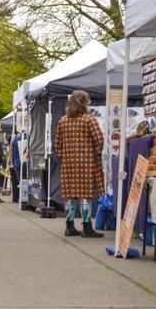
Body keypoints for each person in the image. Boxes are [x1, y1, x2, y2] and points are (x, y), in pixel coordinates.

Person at [54, 90, 104, 238]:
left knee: (69, 195)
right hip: (86, 163)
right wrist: (95, 152)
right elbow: (99, 140)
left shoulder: (63, 120)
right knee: (85, 195)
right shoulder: (89, 119)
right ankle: (87, 227)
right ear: (85, 102)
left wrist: (66, 155)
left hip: (68, 164)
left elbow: (58, 145)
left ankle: (69, 227)